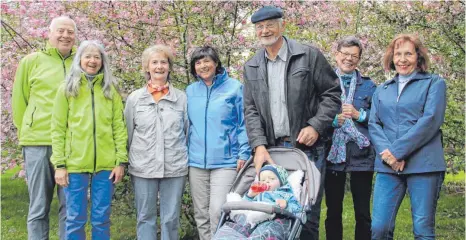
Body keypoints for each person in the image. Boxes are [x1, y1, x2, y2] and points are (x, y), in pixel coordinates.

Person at [242, 6, 341, 239]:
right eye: (260, 27)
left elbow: (333, 93)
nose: (265, 30)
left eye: (270, 25)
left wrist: (316, 125)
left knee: (306, 215)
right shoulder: (252, 66)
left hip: (307, 150)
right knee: (273, 211)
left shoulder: (308, 56)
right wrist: (258, 145)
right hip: (272, 151)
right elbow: (251, 109)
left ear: (282, 25)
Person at [369, 34, 446, 239]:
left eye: (408, 54)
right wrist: (389, 156)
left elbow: (430, 121)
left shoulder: (434, 84)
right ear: (392, 58)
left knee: (422, 229)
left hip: (424, 165)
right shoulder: (382, 90)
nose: (402, 59)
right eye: (398, 54)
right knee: (379, 227)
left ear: (418, 57)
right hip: (388, 167)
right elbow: (374, 124)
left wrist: (397, 151)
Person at [51, 40, 127, 239]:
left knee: (101, 217)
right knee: (75, 218)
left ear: (103, 61)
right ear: (80, 60)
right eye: (88, 56)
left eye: (97, 56)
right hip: (74, 163)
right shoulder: (67, 89)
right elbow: (58, 129)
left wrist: (120, 161)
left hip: (106, 165)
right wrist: (59, 164)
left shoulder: (111, 90)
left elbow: (119, 127)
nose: (92, 60)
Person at [12, 16, 77, 240]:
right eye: (60, 31)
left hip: (71, 145)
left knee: (70, 206)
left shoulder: (81, 63)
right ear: (49, 34)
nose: (65, 36)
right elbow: (19, 101)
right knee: (39, 206)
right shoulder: (32, 61)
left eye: (70, 32)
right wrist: (27, 129)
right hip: (37, 143)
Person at [186, 46, 251, 239]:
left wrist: (244, 152)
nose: (203, 66)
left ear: (216, 63)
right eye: (198, 62)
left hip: (226, 162)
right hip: (196, 162)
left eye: (207, 61)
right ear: (193, 68)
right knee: (201, 214)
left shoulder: (234, 88)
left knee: (217, 211)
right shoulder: (190, 91)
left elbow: (244, 123)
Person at [124, 45, 188, 240]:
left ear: (169, 67)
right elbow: (128, 133)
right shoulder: (135, 99)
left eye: (163, 62)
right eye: (154, 62)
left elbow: (187, 132)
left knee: (170, 218)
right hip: (143, 167)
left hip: (174, 167)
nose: (159, 66)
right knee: (145, 217)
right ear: (147, 67)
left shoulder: (181, 98)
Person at [324, 36, 376, 240]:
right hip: (333, 155)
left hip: (361, 154)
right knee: (333, 211)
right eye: (345, 54)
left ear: (359, 59)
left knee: (363, 212)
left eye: (354, 56)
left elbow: (381, 118)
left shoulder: (370, 86)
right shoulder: (324, 83)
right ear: (336, 55)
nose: (349, 59)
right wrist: (332, 121)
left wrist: (359, 115)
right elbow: (314, 113)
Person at [213, 164, 301, 239]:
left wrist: (286, 205)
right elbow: (245, 206)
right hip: (252, 221)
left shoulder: (285, 195)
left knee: (267, 231)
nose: (266, 181)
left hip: (274, 220)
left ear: (282, 182)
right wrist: (250, 196)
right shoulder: (258, 193)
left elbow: (298, 209)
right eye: (263, 180)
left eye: (271, 178)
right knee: (236, 224)